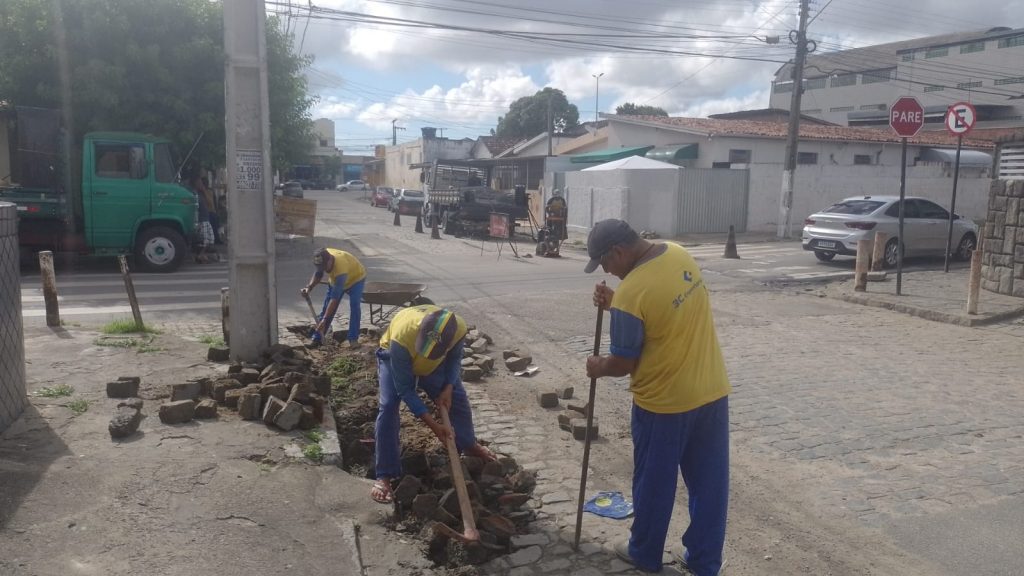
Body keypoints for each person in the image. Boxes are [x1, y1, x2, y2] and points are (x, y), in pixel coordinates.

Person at [583, 219, 731, 576]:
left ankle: (645, 552)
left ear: (617, 251)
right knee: (709, 485)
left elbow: (622, 363)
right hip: (711, 393)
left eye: (604, 263)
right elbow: (664, 312)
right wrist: (618, 305)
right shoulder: (678, 254)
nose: (607, 272)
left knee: (653, 483)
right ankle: (703, 562)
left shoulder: (633, 292)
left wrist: (597, 366)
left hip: (664, 406)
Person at [371, 304, 496, 504]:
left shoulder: (459, 329)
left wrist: (447, 387)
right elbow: (406, 390)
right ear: (422, 330)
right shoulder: (402, 336)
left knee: (458, 396)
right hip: (394, 357)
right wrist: (435, 426)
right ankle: (385, 474)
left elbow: (454, 360)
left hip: (434, 366)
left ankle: (468, 444)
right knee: (388, 407)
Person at [300, 248, 367, 348]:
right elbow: (319, 273)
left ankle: (353, 339)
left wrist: (325, 319)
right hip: (335, 281)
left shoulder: (341, 268)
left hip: (355, 280)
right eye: (321, 267)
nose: (324, 269)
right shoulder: (322, 255)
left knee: (354, 306)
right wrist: (309, 287)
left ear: (330, 260)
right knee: (326, 308)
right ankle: (317, 338)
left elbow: (334, 299)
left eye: (324, 267)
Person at [189, 174, 215, 263]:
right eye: (199, 182)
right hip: (200, 219)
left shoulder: (202, 193)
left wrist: (204, 190)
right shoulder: (193, 193)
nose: (201, 184)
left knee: (209, 239)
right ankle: (200, 255)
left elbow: (210, 203)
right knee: (204, 240)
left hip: (205, 218)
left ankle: (201, 254)